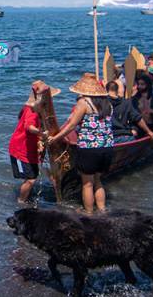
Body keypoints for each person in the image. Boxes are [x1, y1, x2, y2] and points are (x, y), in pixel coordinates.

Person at [47, 74, 113, 213]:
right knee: (98, 181)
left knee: (87, 184)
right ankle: (102, 210)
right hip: (107, 147)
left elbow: (71, 125)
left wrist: (56, 138)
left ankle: (88, 213)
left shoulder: (84, 103)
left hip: (89, 148)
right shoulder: (108, 103)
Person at [9, 81, 56, 203]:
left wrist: (39, 141)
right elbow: (28, 127)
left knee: (32, 176)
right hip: (20, 149)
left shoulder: (34, 109)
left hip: (29, 147)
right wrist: (41, 134)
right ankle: (21, 201)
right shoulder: (32, 111)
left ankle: (26, 195)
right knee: (31, 179)